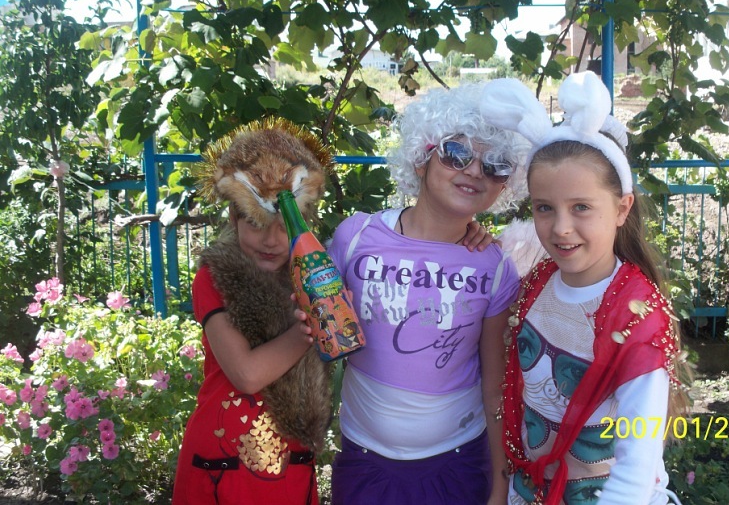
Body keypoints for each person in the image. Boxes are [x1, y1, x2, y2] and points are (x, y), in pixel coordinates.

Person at [480, 73, 690, 505]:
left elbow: (636, 469)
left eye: (581, 207)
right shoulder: (537, 282)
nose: (560, 228)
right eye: (544, 208)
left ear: (622, 208)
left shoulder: (635, 316)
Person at [327, 82, 532, 505]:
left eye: (494, 165)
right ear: (422, 159)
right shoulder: (355, 237)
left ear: (503, 185)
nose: (473, 171)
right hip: (364, 461)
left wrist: (500, 485)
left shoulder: (493, 266)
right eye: (456, 153)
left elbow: (494, 385)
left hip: (458, 465)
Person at [172, 118, 335, 505]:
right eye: (255, 224)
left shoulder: (314, 273)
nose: (270, 241)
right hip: (224, 458)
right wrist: (308, 329)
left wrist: (466, 232)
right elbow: (246, 374)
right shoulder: (215, 277)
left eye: (284, 226)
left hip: (291, 460)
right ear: (234, 218)